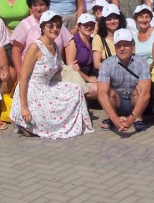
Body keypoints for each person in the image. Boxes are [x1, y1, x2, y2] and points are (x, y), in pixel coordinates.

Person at [10, 11, 94, 139]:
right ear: (42, 27)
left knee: (75, 89)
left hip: (47, 86)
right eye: (50, 26)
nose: (55, 29)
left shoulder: (54, 46)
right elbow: (23, 77)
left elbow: (60, 68)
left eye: (58, 26)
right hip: (31, 90)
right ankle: (28, 124)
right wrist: (24, 107)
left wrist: (73, 68)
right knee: (51, 110)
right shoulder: (35, 47)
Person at [10, 0, 74, 78]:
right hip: (32, 74)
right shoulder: (25, 24)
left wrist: (70, 64)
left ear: (47, 5)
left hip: (56, 71)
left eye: (41, 5)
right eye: (35, 5)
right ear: (30, 7)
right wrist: (20, 74)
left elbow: (69, 42)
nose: (38, 9)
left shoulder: (56, 23)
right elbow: (16, 51)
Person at [97, 29, 151, 132]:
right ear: (115, 47)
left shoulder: (142, 62)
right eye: (118, 45)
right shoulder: (106, 64)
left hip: (134, 101)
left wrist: (130, 120)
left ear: (132, 46)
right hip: (117, 102)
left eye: (125, 45)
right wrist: (115, 120)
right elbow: (101, 94)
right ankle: (112, 118)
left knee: (140, 90)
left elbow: (145, 93)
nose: (122, 49)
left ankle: (138, 118)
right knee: (107, 92)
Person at [65, 13, 97, 98]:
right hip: (76, 76)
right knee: (97, 89)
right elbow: (71, 67)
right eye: (85, 25)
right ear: (79, 26)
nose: (88, 27)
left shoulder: (93, 41)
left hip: (89, 73)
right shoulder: (73, 42)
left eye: (91, 24)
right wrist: (88, 78)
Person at [92, 4, 127, 71]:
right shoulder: (98, 38)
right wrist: (115, 68)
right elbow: (96, 64)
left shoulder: (126, 35)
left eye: (115, 18)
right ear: (104, 21)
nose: (112, 21)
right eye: (108, 19)